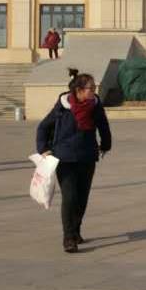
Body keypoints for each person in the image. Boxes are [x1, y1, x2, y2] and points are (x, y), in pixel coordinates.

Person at [35, 68, 112, 253]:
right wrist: (43, 149)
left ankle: (76, 230)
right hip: (65, 158)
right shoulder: (63, 106)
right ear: (79, 90)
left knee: (82, 198)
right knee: (70, 197)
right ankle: (68, 238)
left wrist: (105, 145)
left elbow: (103, 126)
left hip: (87, 156)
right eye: (90, 88)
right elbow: (43, 127)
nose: (94, 91)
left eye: (94, 88)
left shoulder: (95, 105)